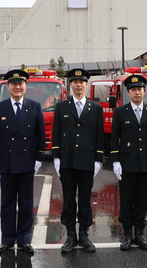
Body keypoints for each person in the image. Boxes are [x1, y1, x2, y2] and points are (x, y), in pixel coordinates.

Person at [0, 69, 45, 256]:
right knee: (7, 202)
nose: (17, 87)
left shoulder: (34, 106)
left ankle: (24, 239)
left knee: (27, 202)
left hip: (27, 160)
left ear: (26, 87)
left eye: (21, 84)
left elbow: (40, 135)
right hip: (7, 161)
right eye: (14, 84)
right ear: (8, 87)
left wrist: (39, 157)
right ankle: (7, 239)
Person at [52, 68, 104, 253]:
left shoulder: (96, 108)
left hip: (87, 159)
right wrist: (56, 156)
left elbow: (99, 136)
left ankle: (84, 235)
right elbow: (56, 133)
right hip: (67, 160)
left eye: (82, 82)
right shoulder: (62, 107)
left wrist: (98, 158)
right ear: (70, 85)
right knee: (68, 200)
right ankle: (70, 236)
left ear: (86, 84)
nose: (78, 85)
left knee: (84, 199)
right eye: (75, 82)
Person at [111, 74, 147, 251]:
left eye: (140, 89)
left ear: (144, 91)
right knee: (126, 200)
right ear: (128, 92)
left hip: (146, 162)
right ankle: (126, 235)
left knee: (142, 200)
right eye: (133, 90)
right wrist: (115, 161)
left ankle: (139, 234)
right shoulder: (120, 112)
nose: (137, 92)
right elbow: (114, 138)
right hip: (127, 163)